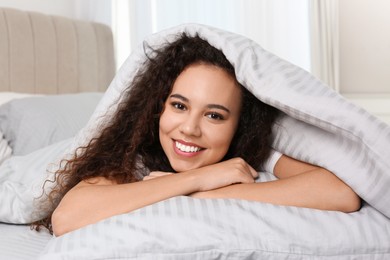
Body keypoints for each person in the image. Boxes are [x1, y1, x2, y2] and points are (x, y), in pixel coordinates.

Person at [33, 33, 361, 236]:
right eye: (179, 106)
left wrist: (204, 195)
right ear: (159, 107)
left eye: (214, 115)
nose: (189, 128)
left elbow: (341, 194)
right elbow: (68, 217)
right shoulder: (136, 155)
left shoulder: (251, 152)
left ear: (239, 125)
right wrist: (197, 179)